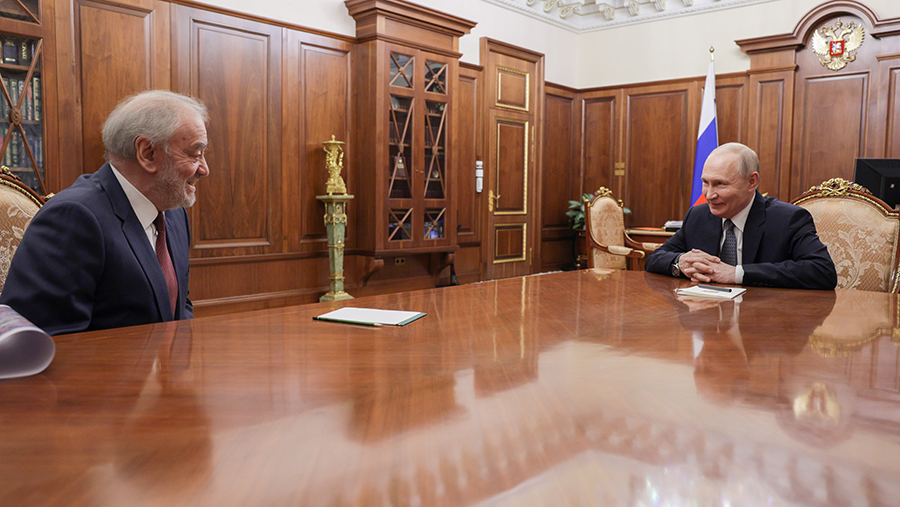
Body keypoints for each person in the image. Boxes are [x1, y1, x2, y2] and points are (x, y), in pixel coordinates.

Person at [0, 90, 210, 335]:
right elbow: (48, 339)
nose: (204, 169)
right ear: (148, 153)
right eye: (196, 154)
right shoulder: (73, 218)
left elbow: (179, 307)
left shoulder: (173, 213)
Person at [645, 142, 837, 290]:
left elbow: (822, 271)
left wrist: (736, 274)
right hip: (707, 318)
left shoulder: (787, 219)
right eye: (705, 183)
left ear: (751, 181)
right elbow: (655, 258)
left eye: (720, 184)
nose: (709, 195)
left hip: (766, 320)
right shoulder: (698, 216)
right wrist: (680, 263)